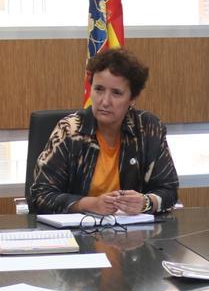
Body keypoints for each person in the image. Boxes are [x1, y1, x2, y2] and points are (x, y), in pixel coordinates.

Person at [26, 48, 179, 215]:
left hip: (133, 229)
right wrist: (90, 204)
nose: (105, 101)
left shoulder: (148, 128)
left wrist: (145, 202)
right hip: (79, 228)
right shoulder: (70, 130)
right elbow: (40, 196)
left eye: (116, 93)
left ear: (132, 98)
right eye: (99, 89)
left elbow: (169, 191)